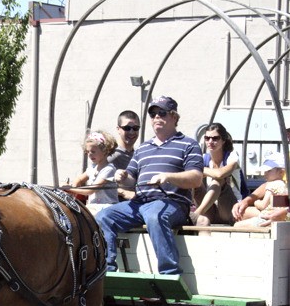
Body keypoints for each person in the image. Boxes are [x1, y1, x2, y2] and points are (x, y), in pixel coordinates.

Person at [95, 96, 204, 274]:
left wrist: (168, 177)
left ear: (174, 117)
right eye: (153, 114)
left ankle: (170, 273)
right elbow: (131, 178)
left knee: (155, 215)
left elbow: (196, 178)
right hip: (140, 202)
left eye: (162, 113)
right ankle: (107, 270)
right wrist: (122, 176)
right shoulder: (143, 148)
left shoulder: (188, 144)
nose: (156, 117)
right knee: (104, 217)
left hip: (172, 203)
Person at [191, 122, 247, 226]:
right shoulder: (204, 158)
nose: (210, 141)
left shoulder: (232, 156)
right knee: (194, 181)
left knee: (218, 180)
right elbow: (190, 173)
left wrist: (200, 170)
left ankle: (195, 215)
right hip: (210, 211)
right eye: (207, 138)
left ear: (223, 140)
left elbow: (220, 174)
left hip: (230, 210)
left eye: (215, 138)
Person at [67, 130, 118, 215]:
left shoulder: (109, 169)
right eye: (87, 152)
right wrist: (74, 185)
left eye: (93, 152)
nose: (90, 154)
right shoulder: (92, 168)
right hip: (93, 206)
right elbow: (79, 178)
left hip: (107, 208)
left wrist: (70, 189)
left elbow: (90, 190)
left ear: (105, 150)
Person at [234, 153, 288, 227]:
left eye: (268, 171)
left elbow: (263, 205)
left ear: (281, 172)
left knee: (237, 225)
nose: (265, 174)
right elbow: (280, 203)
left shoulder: (271, 185)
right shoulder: (284, 186)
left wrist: (256, 202)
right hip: (283, 217)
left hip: (267, 217)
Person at [109, 110, 141, 200]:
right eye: (127, 128)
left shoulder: (138, 155)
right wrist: (123, 192)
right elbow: (95, 183)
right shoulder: (112, 155)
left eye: (135, 128)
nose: (131, 132)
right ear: (118, 129)